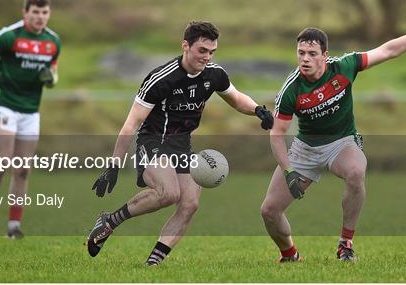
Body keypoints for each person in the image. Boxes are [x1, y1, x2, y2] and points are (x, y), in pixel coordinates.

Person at [261, 4, 406, 262]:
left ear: (325, 55)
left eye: (312, 53)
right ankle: (290, 255)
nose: (305, 59)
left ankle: (346, 243)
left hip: (341, 142)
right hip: (305, 149)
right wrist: (288, 171)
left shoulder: (345, 66)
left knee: (356, 172)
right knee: (269, 211)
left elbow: (388, 50)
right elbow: (277, 135)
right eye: (301, 53)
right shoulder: (291, 89)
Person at [86, 21, 274, 265]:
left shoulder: (214, 74)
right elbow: (131, 123)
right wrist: (113, 165)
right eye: (202, 50)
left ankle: (152, 264)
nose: (207, 57)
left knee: (190, 203)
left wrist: (257, 110)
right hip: (152, 140)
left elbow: (236, 98)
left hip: (182, 144)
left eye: (212, 52)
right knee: (169, 193)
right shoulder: (161, 79)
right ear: (186, 46)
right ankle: (109, 222)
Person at [0, 0, 61, 239]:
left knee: (22, 169)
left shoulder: (53, 41)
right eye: (35, 12)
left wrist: (51, 79)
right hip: (5, 104)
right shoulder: (10, 36)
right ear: (25, 13)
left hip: (30, 110)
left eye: (44, 13)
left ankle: (13, 227)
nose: (40, 17)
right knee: (2, 162)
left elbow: (53, 73)